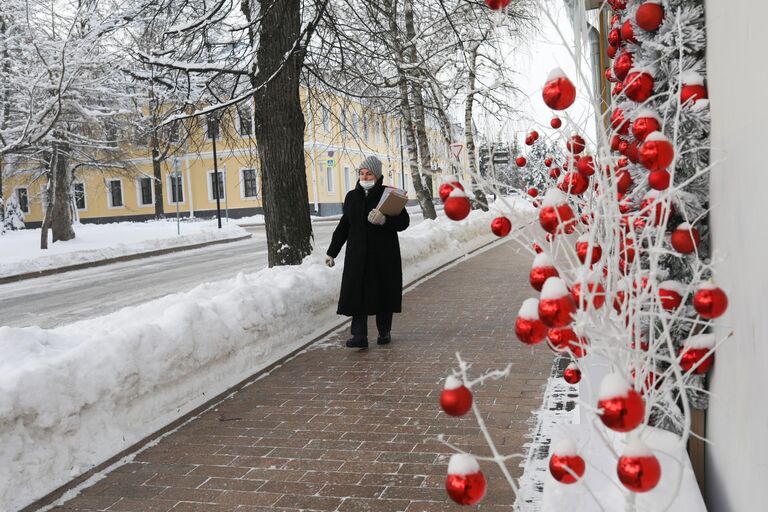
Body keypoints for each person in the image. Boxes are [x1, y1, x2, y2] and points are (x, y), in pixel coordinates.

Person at [325, 155, 410, 348]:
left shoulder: (390, 194)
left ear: (377, 175)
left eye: (369, 173)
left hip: (383, 256)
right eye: (362, 173)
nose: (365, 176)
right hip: (358, 256)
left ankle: (384, 331)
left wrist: (385, 220)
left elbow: (404, 222)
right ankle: (358, 335)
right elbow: (344, 226)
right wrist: (332, 252)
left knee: (382, 293)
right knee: (358, 293)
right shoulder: (352, 197)